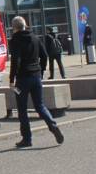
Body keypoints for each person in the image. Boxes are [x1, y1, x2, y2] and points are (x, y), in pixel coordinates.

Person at [9, 16, 64, 148]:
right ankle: (53, 126)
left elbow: (15, 61)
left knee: (22, 109)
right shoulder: (35, 38)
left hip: (22, 79)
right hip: (36, 77)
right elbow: (44, 55)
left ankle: (27, 138)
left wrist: (11, 79)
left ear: (14, 28)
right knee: (40, 105)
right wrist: (41, 71)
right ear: (25, 26)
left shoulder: (15, 40)